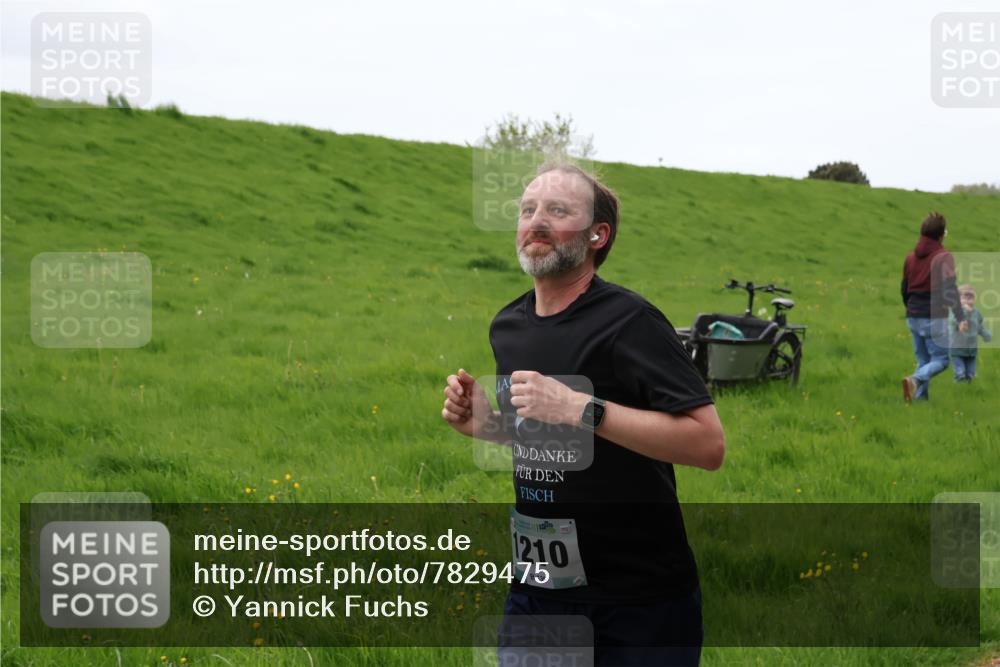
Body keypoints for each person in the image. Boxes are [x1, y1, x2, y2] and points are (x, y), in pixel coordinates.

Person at [441, 162, 725, 666]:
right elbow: (550, 439)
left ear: (599, 234)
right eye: (528, 210)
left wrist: (581, 408)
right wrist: (484, 425)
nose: (537, 221)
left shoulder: (631, 322)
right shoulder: (508, 325)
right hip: (540, 588)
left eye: (558, 210)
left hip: (638, 601)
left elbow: (707, 445)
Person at [900, 212, 966, 401]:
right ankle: (914, 380)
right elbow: (950, 290)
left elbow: (904, 288)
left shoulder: (910, 258)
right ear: (941, 234)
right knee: (942, 360)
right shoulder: (944, 257)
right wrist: (960, 317)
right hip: (933, 316)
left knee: (924, 360)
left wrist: (911, 309)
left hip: (913, 316)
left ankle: (919, 399)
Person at [949, 284, 992, 382]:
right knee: (960, 373)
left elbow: (979, 326)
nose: (967, 301)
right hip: (957, 349)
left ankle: (969, 389)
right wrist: (966, 311)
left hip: (971, 350)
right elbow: (954, 323)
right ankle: (959, 390)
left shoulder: (977, 313)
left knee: (971, 374)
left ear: (974, 299)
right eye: (964, 298)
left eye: (970, 298)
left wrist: (986, 335)